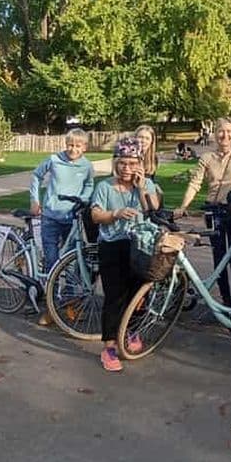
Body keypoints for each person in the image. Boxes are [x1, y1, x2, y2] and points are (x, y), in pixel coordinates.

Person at [90, 137, 160, 372]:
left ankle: (131, 330)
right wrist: (116, 213)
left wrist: (141, 190)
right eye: (122, 163)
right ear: (115, 163)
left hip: (140, 244)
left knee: (138, 294)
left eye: (132, 163)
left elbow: (153, 211)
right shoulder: (104, 187)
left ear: (140, 162)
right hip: (113, 244)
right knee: (114, 296)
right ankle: (109, 345)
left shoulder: (146, 185)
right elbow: (95, 216)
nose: (127, 168)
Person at [174, 118, 231, 307]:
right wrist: (183, 206)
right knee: (219, 260)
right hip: (213, 211)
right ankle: (225, 304)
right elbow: (195, 183)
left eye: (229, 131)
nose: (224, 135)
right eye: (221, 131)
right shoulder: (207, 158)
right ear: (214, 133)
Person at [30, 128, 94, 271]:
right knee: (51, 258)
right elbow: (36, 175)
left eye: (78, 146)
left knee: (71, 258)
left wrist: (82, 199)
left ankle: (70, 291)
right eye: (70, 145)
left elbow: (89, 184)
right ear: (66, 144)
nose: (73, 149)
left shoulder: (87, 166)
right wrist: (35, 200)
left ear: (84, 147)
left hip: (72, 217)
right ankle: (49, 290)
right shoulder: (54, 160)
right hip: (51, 215)